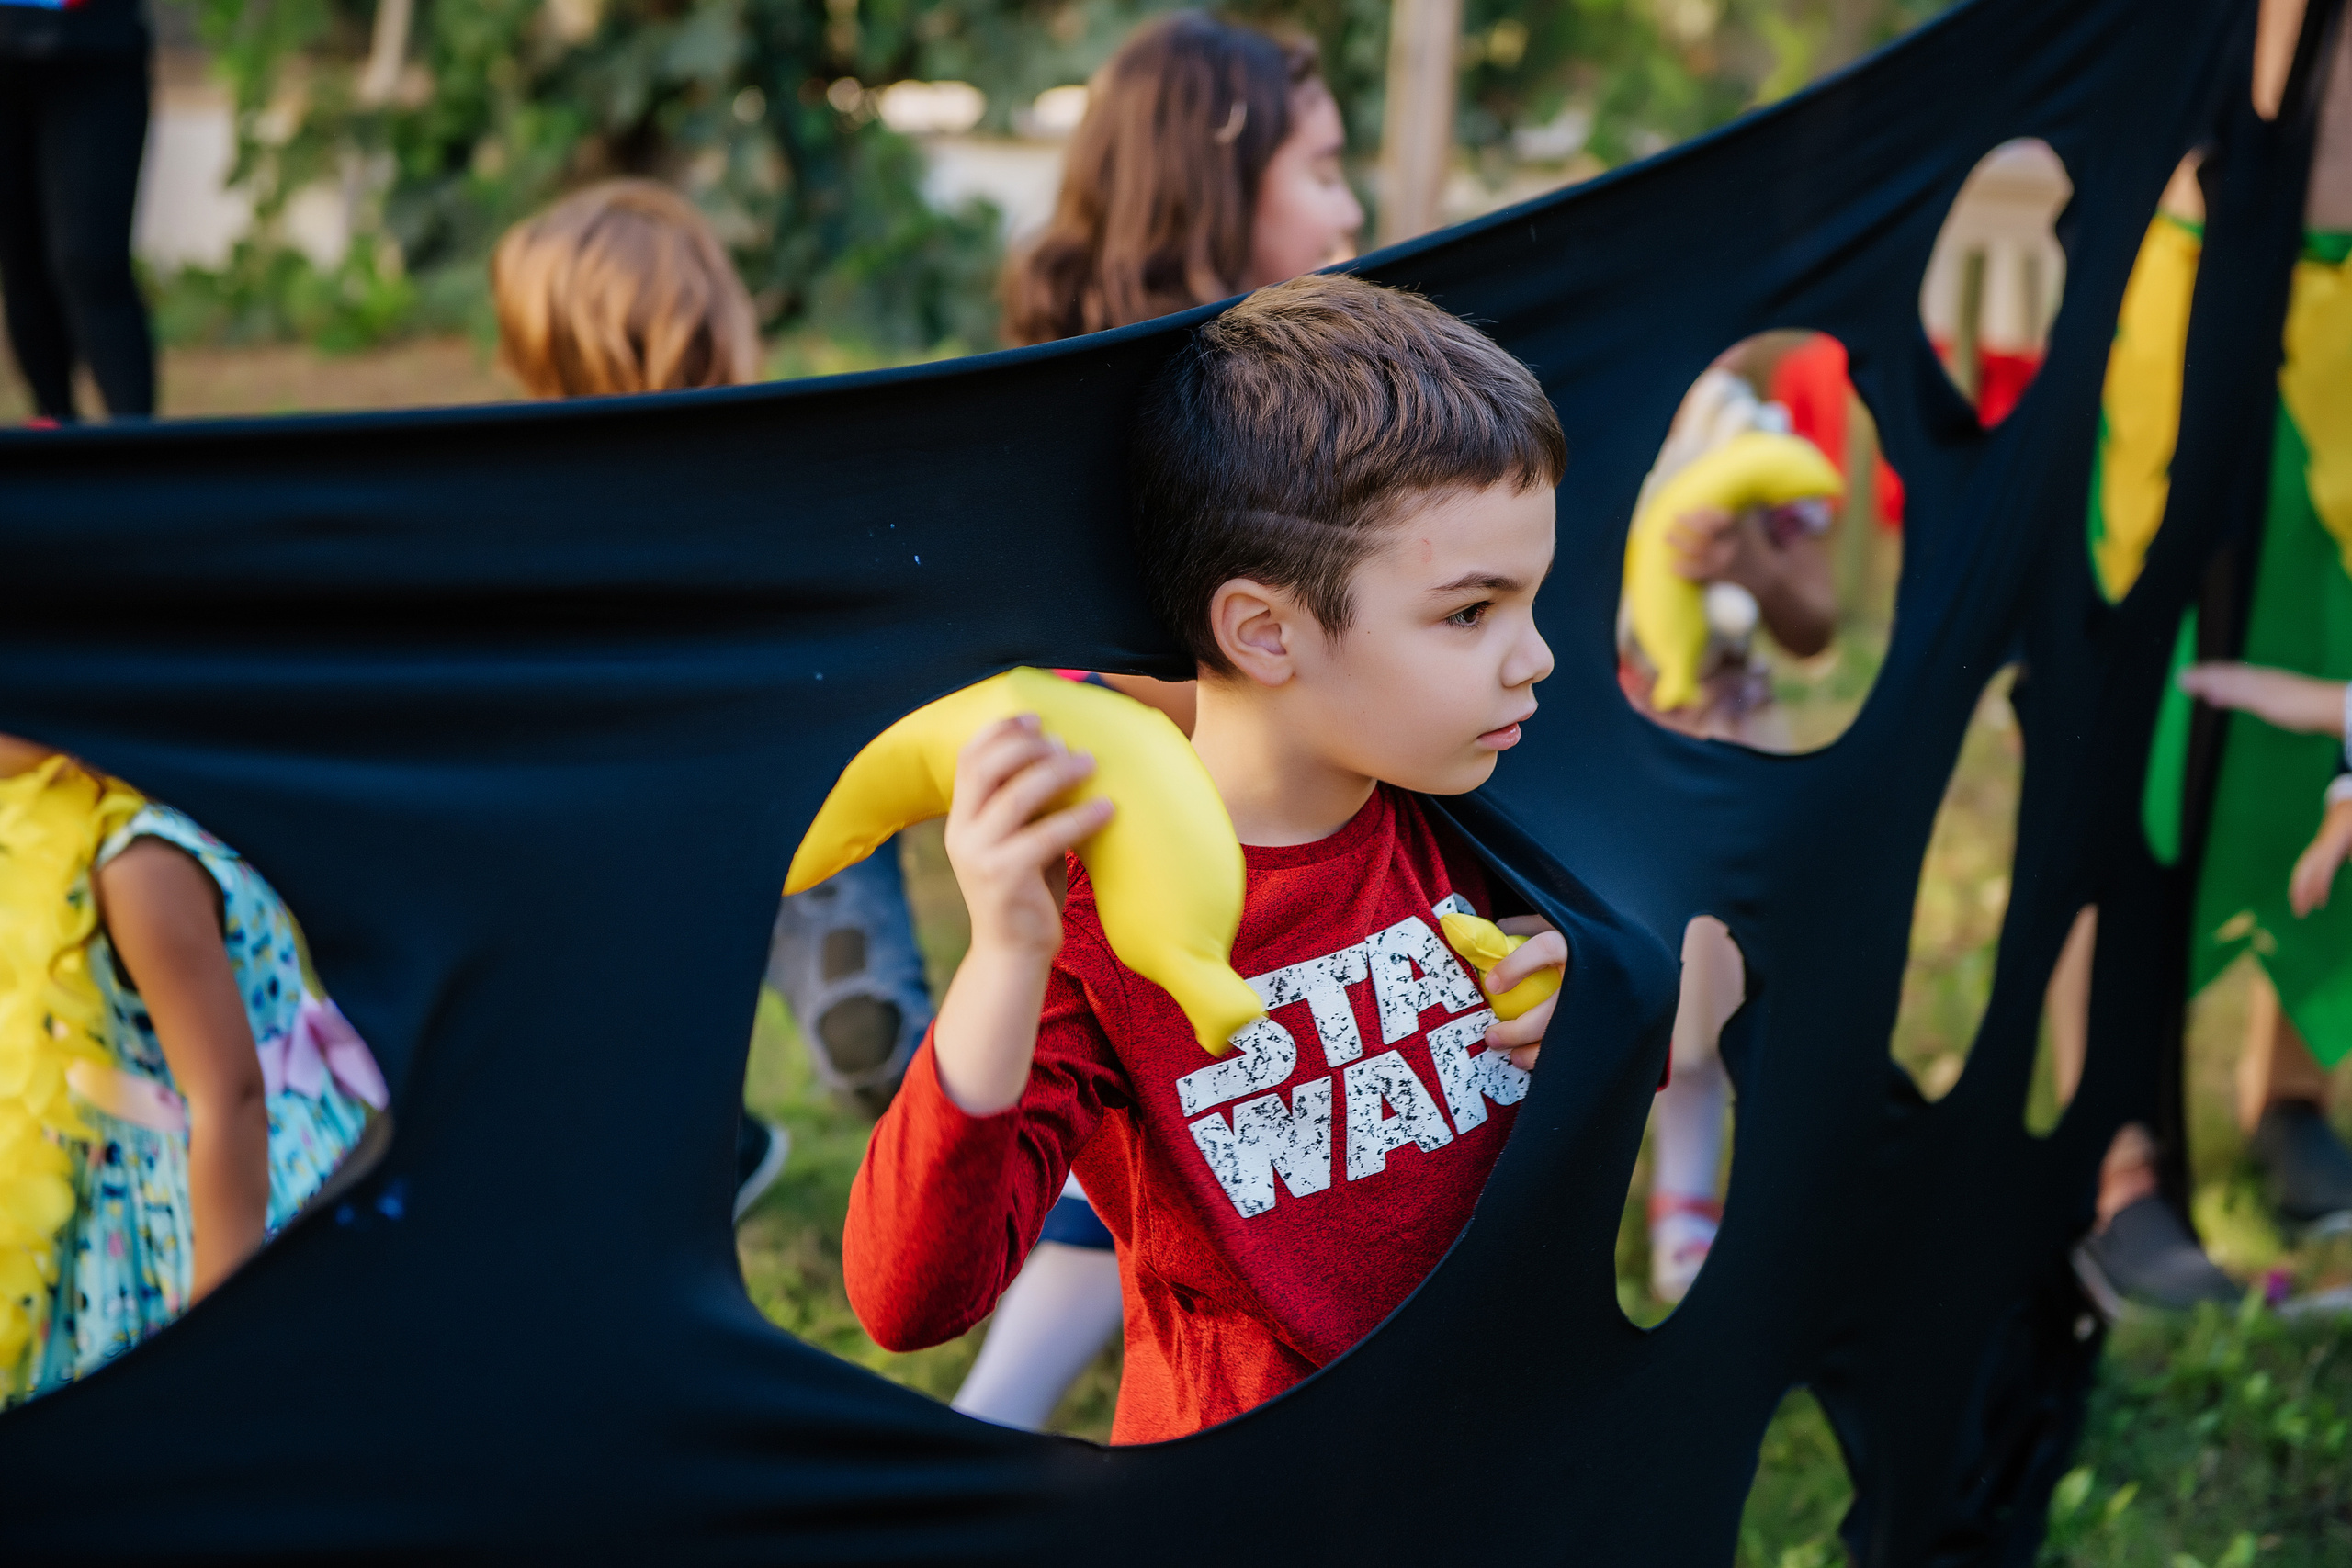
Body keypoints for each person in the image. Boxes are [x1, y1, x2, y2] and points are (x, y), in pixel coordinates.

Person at [847, 274, 1568, 1442]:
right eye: (1470, 613)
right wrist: (1005, 962)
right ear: (1265, 631)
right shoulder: (1115, 932)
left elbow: (1620, 1052)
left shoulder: (1482, 819)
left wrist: (1582, 1011)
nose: (1535, 658)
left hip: (1497, 1477)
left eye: (1533, 600)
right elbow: (911, 1299)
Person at [952, 11, 1367, 1427]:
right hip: (1161, 836)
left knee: (1145, 1152)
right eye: (1322, 169)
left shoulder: (1276, 386)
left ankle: (990, 1424)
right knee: (1157, 1131)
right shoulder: (1129, 413)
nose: (1352, 206)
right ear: (1222, 176)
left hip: (1224, 831)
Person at [491, 178, 931, 1210]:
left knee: (868, 1042)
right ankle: (718, 1145)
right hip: (629, 826)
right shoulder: (522, 500)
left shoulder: (777, 471)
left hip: (807, 796)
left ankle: (1007, 1168)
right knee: (613, 1014)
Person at [0, 736, 386, 1403]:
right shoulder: (36, 826)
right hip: (103, 1160)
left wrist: (217, 1325)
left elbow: (229, 1096)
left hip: (207, 1188)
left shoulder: (138, 863)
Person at [0, 0, 156, 420]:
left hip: (94, 46)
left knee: (89, 264)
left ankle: (138, 450)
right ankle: (54, 437)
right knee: (20, 268)